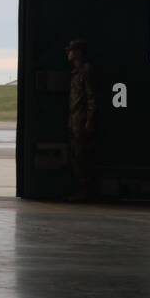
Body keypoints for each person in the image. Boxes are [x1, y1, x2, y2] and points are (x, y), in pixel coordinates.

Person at [66, 38, 98, 201]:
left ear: (78, 53)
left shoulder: (86, 71)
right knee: (76, 157)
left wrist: (89, 121)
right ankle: (80, 190)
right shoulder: (76, 72)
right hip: (74, 121)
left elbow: (92, 98)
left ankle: (84, 192)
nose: (68, 53)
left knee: (82, 158)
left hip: (81, 122)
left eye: (71, 50)